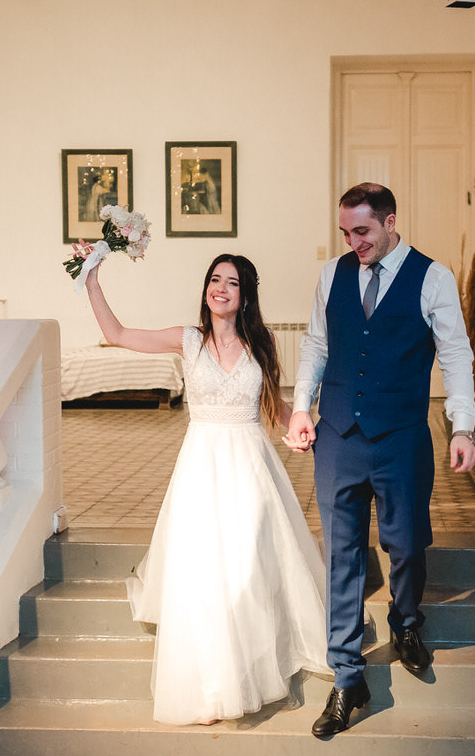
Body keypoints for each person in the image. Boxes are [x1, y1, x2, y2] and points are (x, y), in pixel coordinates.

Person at [83, 251, 329, 725]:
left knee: (245, 566)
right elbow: (118, 335)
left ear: (245, 296)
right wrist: (92, 282)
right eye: (215, 279)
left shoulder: (262, 343)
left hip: (251, 465)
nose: (220, 288)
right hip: (201, 467)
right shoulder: (188, 340)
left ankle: (252, 662)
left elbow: (273, 403)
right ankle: (215, 685)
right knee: (205, 573)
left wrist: (301, 427)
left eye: (231, 282)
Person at [285, 182, 475, 739]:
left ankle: (406, 620)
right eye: (346, 233)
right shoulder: (332, 275)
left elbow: (456, 354)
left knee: (407, 542)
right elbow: (317, 345)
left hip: (401, 437)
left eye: (363, 231)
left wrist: (462, 425)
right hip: (338, 437)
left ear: (391, 222)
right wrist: (301, 407)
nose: (354, 242)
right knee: (341, 555)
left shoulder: (433, 278)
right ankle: (347, 677)